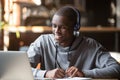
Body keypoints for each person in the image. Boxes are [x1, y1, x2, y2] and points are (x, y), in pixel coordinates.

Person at [27, 6, 120, 79]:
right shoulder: (43, 42)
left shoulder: (91, 45)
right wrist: (46, 74)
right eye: (54, 26)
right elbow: (21, 69)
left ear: (75, 28)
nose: (57, 31)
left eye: (63, 27)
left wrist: (84, 73)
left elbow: (116, 69)